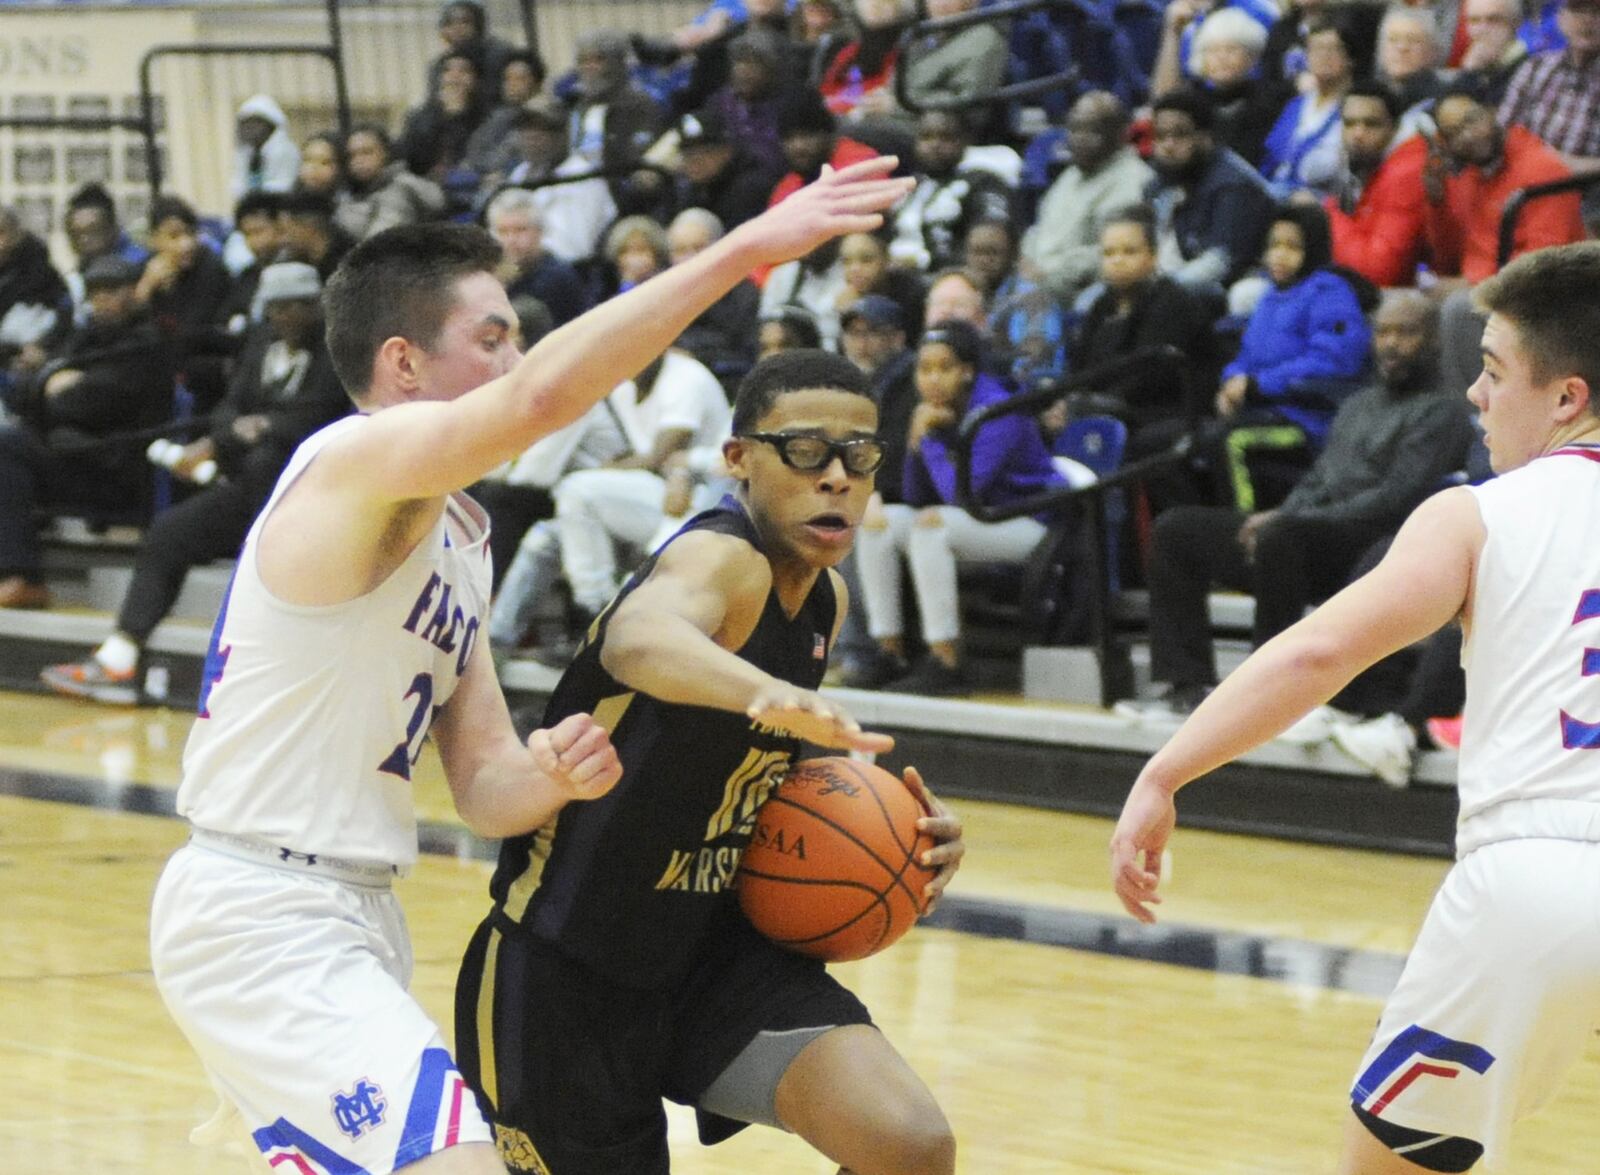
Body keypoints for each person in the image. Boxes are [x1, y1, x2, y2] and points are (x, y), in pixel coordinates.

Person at [146, 157, 912, 1175]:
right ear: (403, 365)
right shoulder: (350, 463)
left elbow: (486, 790)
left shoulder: (459, 533)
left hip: (352, 908)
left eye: (517, 339)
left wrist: (553, 771)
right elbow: (545, 399)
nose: (517, 362)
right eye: (493, 338)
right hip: (259, 908)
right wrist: (739, 252)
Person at [1110, 240, 1600, 1173]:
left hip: (1533, 879)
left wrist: (1167, 768)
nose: (1475, 396)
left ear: (1567, 397)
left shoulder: (1478, 512)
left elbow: (1321, 649)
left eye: (1494, 372)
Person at [455, 346, 965, 1174]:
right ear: (739, 459)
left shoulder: (823, 598)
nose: (836, 475)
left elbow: (757, 781)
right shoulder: (722, 559)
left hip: (710, 956)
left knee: (908, 1144)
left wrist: (906, 840)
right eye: (804, 450)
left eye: (859, 455)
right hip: (566, 968)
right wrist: (765, 689)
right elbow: (639, 636)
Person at [1117, 288, 1471, 722]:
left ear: (1434, 340)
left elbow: (1394, 500)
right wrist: (1285, 513)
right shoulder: (1358, 404)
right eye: (1383, 333)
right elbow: (1319, 477)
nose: (1392, 344)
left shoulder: (1444, 411)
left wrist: (1290, 520)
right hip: (1308, 534)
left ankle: (1270, 696)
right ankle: (1186, 686)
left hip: (1373, 545)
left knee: (1281, 537)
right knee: (1177, 531)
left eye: (1406, 333)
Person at [41, 262, 349, 703]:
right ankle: (120, 656)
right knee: (169, 532)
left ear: (316, 306)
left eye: (297, 306)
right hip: (249, 491)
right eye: (278, 307)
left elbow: (323, 414)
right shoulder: (261, 344)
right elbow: (225, 412)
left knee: (265, 459)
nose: (286, 316)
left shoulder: (338, 350)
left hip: (309, 497)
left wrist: (262, 425)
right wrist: (237, 431)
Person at [854, 320, 1067, 693]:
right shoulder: (934, 410)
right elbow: (915, 494)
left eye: (944, 368)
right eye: (924, 369)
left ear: (967, 371)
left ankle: (946, 661)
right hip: (979, 521)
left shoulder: (997, 410)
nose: (932, 379)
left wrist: (932, 441)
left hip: (1029, 522)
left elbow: (959, 495)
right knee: (880, 522)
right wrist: (917, 442)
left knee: (930, 525)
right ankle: (890, 652)